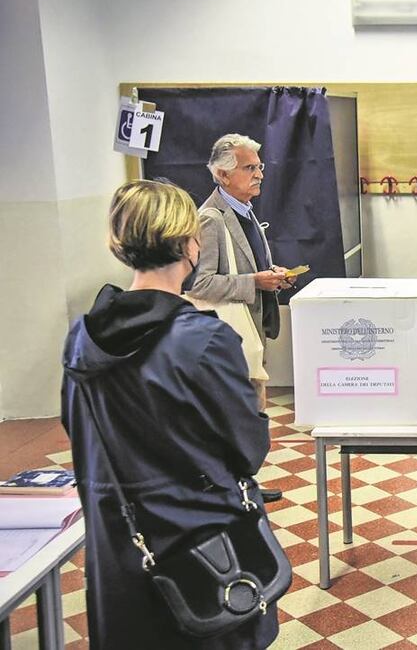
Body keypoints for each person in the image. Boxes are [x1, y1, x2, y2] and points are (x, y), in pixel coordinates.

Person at [61, 180, 280, 649]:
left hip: (119, 543)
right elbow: (248, 448)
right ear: (189, 245)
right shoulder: (205, 339)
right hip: (201, 547)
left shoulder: (83, 335)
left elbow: (77, 430)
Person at [188, 133, 293, 411]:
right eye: (249, 168)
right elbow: (201, 285)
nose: (259, 175)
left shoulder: (244, 209)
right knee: (240, 414)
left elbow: (248, 262)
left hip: (252, 328)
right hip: (230, 337)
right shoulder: (210, 219)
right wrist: (255, 282)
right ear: (222, 175)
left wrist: (273, 275)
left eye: (260, 167)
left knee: (253, 410)